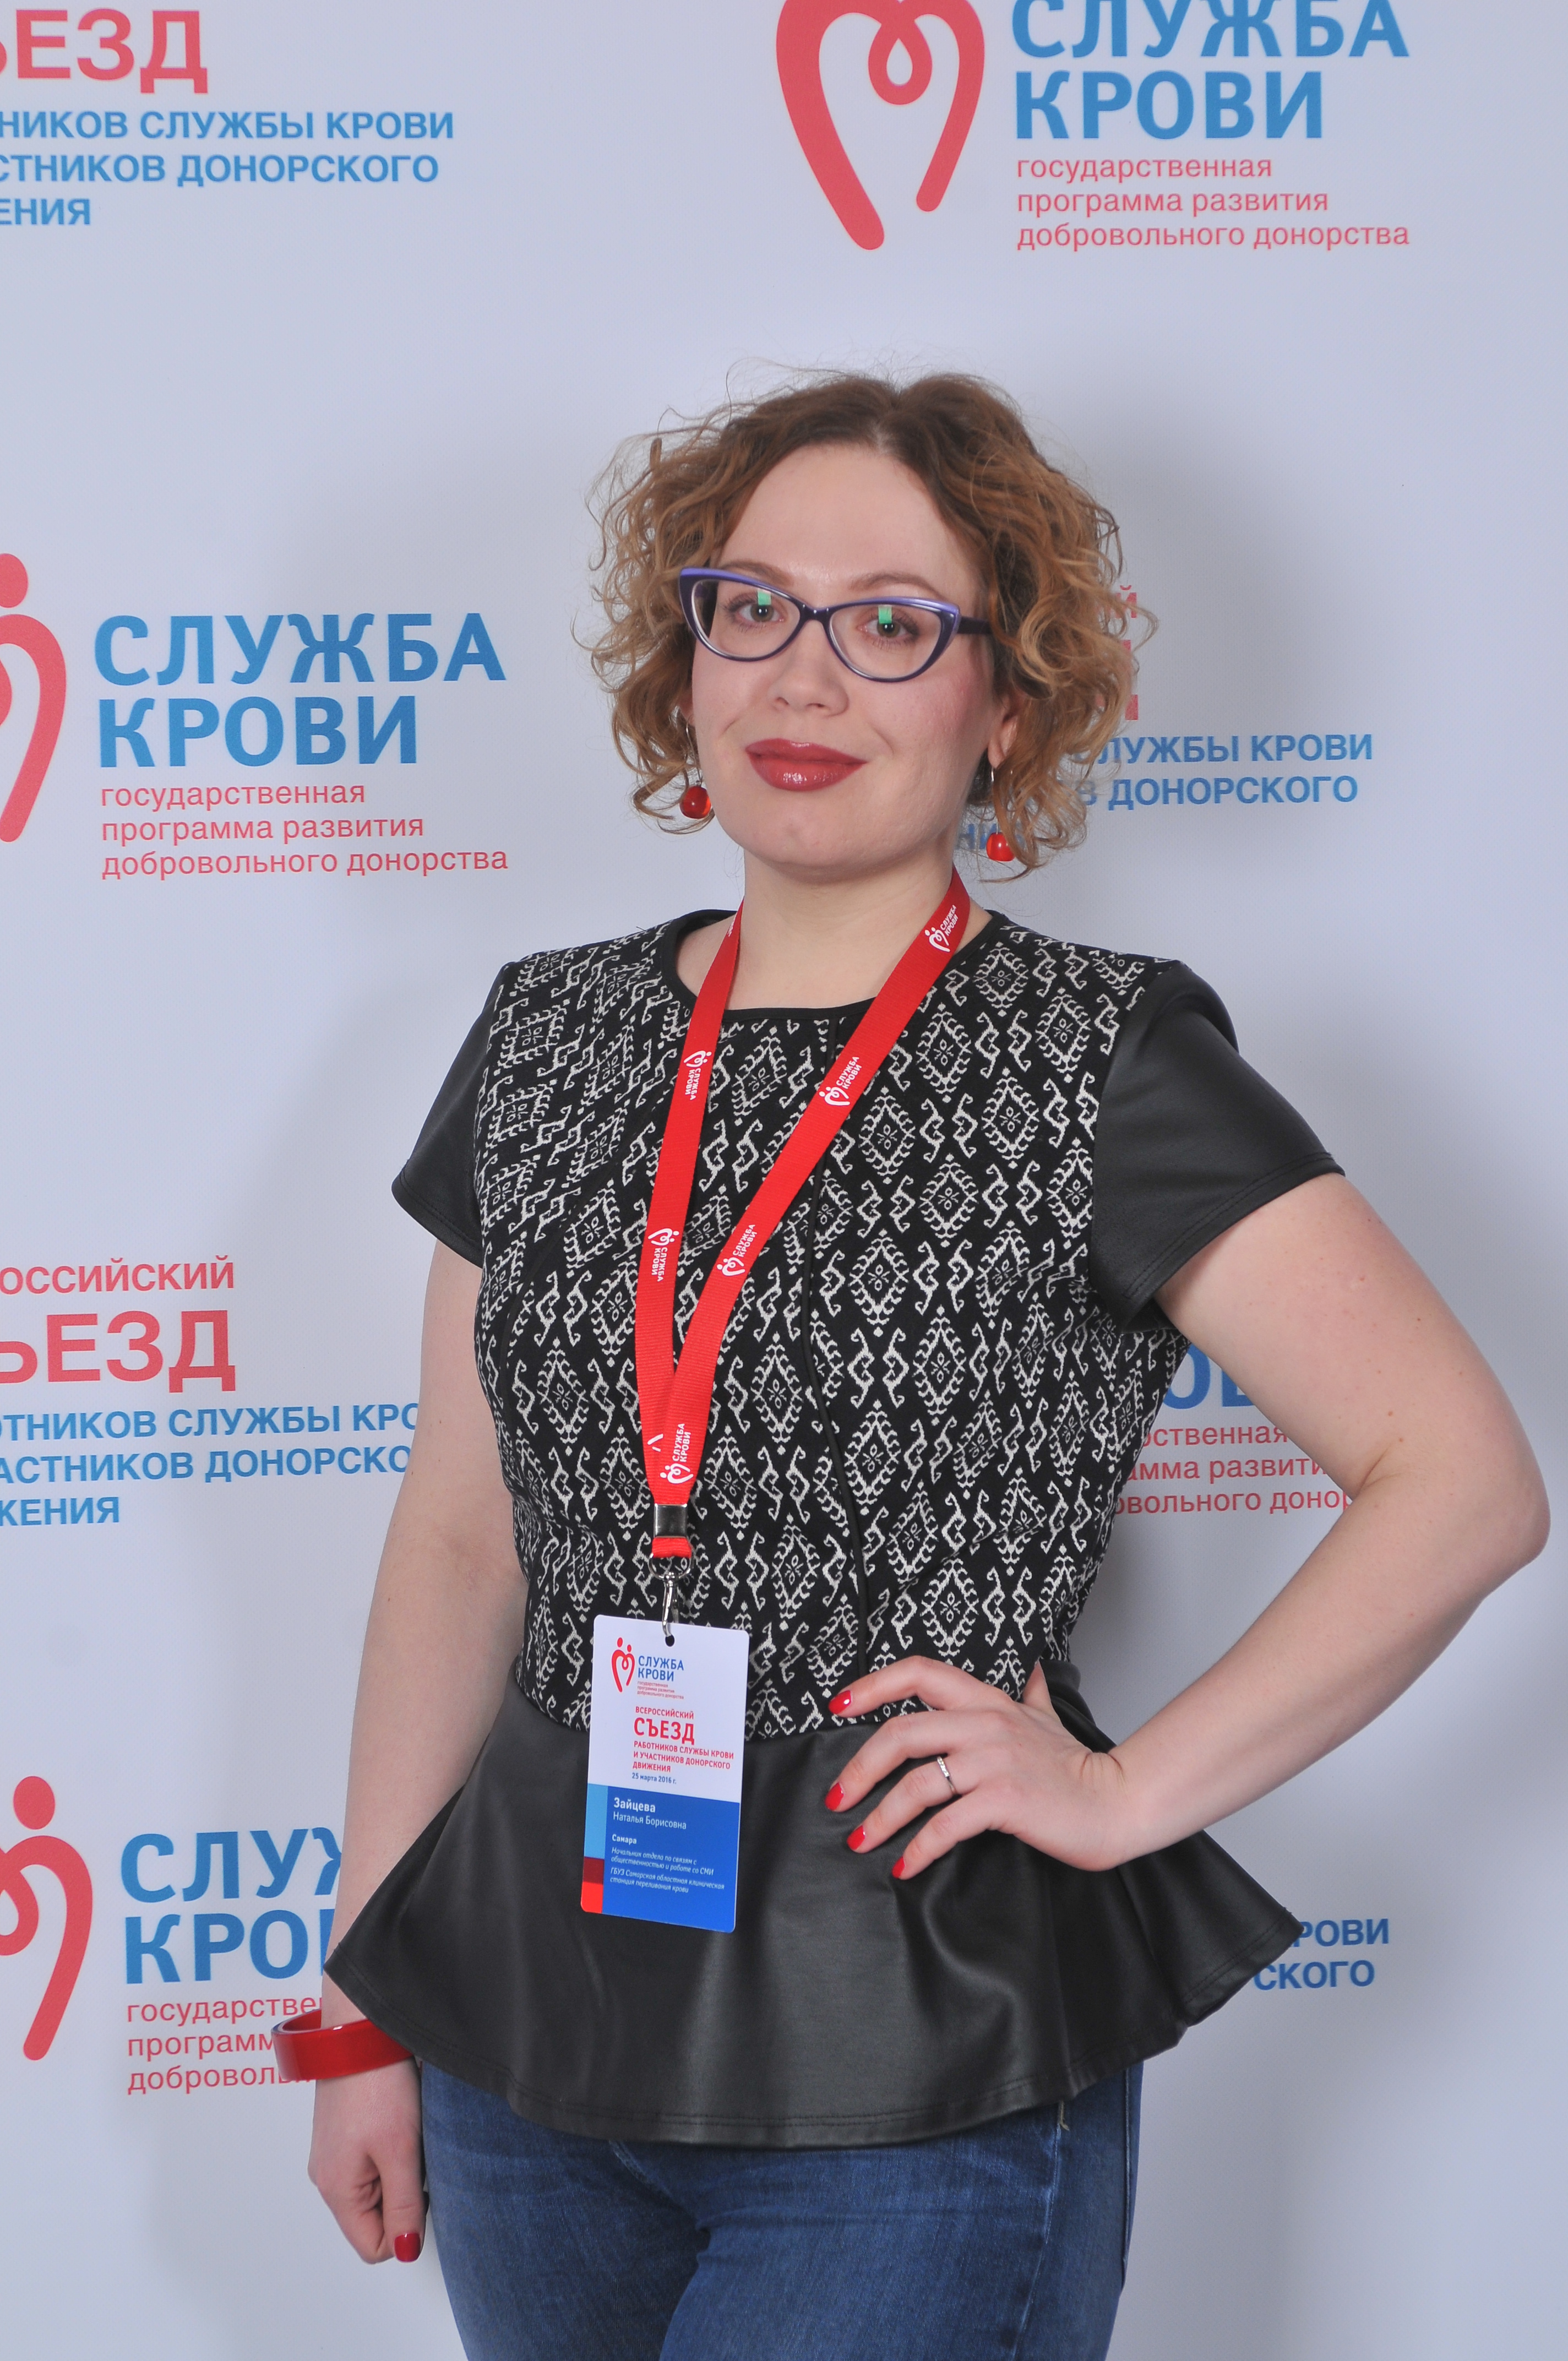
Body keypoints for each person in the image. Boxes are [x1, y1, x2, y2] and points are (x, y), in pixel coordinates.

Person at [300, 374, 1547, 2361]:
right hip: (528, 2047)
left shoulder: (1098, 1058)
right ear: (686, 658)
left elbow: (1462, 1479)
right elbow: (460, 1540)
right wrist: (368, 1998)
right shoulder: (543, 1039)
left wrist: (1126, 1792)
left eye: (892, 622)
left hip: (916, 2067)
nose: (804, 676)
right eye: (752, 608)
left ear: (1010, 702)